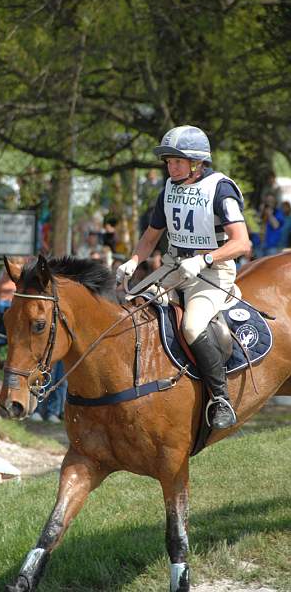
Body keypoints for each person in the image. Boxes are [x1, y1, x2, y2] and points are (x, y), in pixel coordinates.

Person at [116, 125, 251, 430]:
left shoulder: (221, 189)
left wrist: (204, 259)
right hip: (172, 268)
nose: (170, 166)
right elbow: (151, 236)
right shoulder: (168, 189)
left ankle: (220, 399)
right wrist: (133, 260)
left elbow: (242, 243)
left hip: (213, 273)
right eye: (168, 161)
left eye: (177, 161)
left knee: (191, 325)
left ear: (197, 162)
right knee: (134, 310)